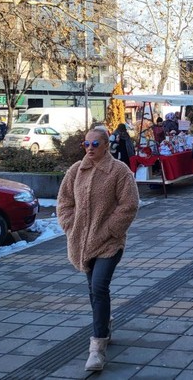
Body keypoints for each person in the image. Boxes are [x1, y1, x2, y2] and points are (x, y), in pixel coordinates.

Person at [57, 126, 139, 371]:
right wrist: (70, 225)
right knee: (94, 292)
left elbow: (129, 205)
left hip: (110, 243)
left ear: (106, 145)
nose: (90, 148)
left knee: (99, 287)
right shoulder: (76, 170)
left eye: (95, 144)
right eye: (86, 144)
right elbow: (64, 201)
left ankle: (97, 347)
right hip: (82, 243)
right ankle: (104, 323)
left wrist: (110, 230)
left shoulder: (119, 171)